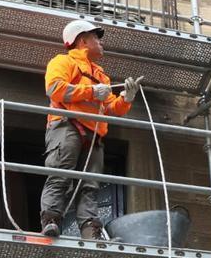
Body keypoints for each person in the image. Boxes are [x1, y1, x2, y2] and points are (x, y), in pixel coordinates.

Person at [40, 19, 142, 239]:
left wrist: (127, 98)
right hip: (67, 125)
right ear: (83, 40)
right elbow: (55, 89)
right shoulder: (64, 62)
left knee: (90, 186)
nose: (100, 42)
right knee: (61, 175)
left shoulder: (101, 75)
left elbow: (112, 108)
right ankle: (51, 221)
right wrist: (91, 92)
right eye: (96, 37)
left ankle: (90, 232)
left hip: (94, 134)